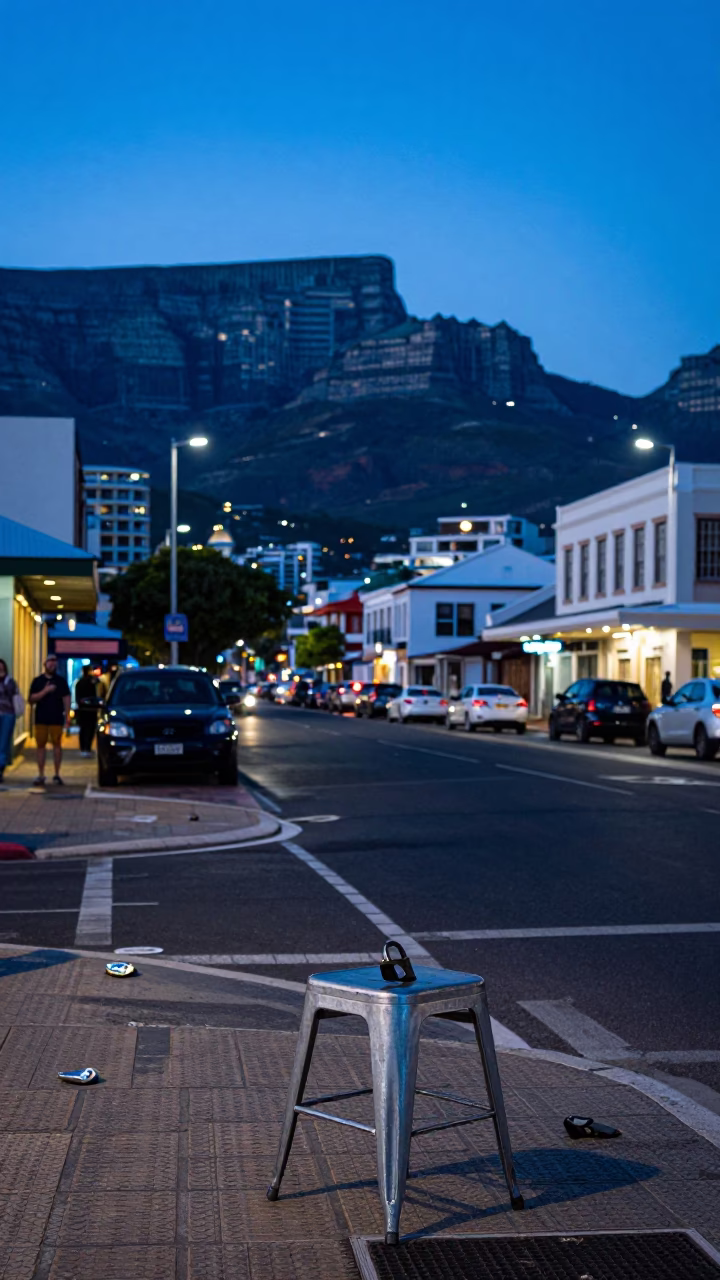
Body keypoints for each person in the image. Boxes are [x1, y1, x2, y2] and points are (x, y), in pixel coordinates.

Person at [28, 654, 71, 786]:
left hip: (56, 719)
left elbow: (66, 698)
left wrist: (67, 716)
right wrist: (45, 691)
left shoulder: (61, 681)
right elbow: (31, 699)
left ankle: (57, 774)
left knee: (57, 746)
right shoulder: (38, 681)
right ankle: (41, 774)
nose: (52, 664)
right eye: (50, 661)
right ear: (44, 664)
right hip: (41, 719)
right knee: (40, 747)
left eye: (54, 661)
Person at [0, 658, 20, 784]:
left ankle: (0, 770)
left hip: (7, 715)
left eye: (1, 667)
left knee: (3, 743)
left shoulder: (9, 681)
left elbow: (12, 693)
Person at [75, 663, 99, 757]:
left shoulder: (80, 682)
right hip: (90, 710)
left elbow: (77, 698)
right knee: (89, 729)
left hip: (83, 709)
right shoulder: (91, 682)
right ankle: (87, 747)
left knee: (84, 729)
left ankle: (84, 748)